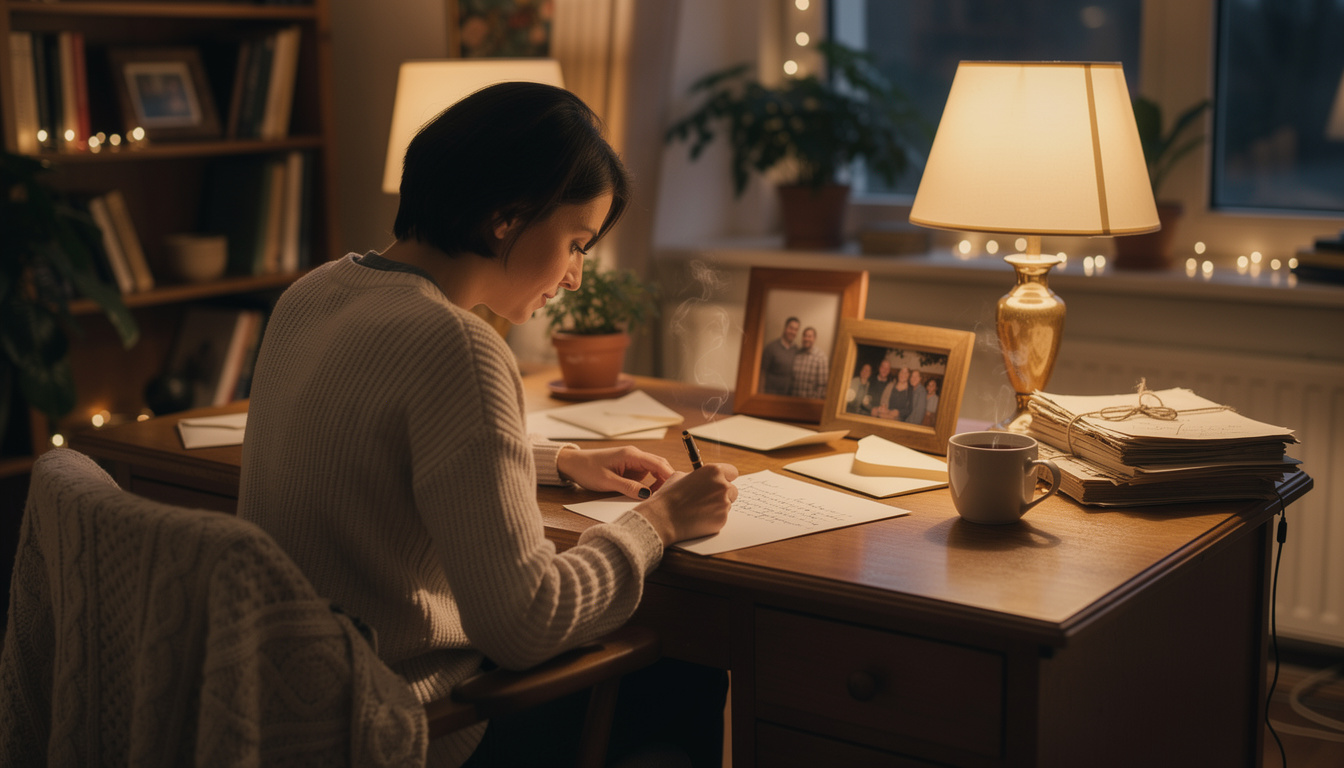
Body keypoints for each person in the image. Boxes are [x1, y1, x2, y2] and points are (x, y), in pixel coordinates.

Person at [237, 82, 737, 768]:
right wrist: (659, 523)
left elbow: (373, 452)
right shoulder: (459, 345)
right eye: (577, 243)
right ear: (507, 218)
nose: (575, 276)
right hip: (403, 729)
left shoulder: (312, 293)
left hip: (288, 715)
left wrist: (558, 461)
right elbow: (524, 625)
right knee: (690, 666)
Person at [759, 316, 799, 395]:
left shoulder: (797, 350)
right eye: (791, 328)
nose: (793, 332)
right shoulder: (771, 347)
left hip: (788, 395)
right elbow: (762, 372)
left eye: (796, 330)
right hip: (770, 393)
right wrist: (760, 392)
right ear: (785, 328)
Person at [788, 326, 829, 398]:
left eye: (809, 336)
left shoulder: (821, 357)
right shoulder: (797, 354)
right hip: (793, 400)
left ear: (814, 338)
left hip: (810, 402)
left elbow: (823, 386)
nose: (806, 339)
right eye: (805, 336)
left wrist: (814, 401)